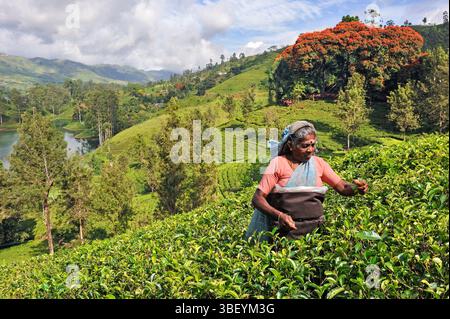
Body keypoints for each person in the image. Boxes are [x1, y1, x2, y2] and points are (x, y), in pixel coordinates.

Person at [246, 120, 368, 241]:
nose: (310, 149)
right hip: (286, 232)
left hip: (315, 233)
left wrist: (356, 188)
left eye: (313, 145)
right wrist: (280, 216)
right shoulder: (278, 164)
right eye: (304, 146)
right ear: (290, 145)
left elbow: (342, 187)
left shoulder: (319, 163)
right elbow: (258, 198)